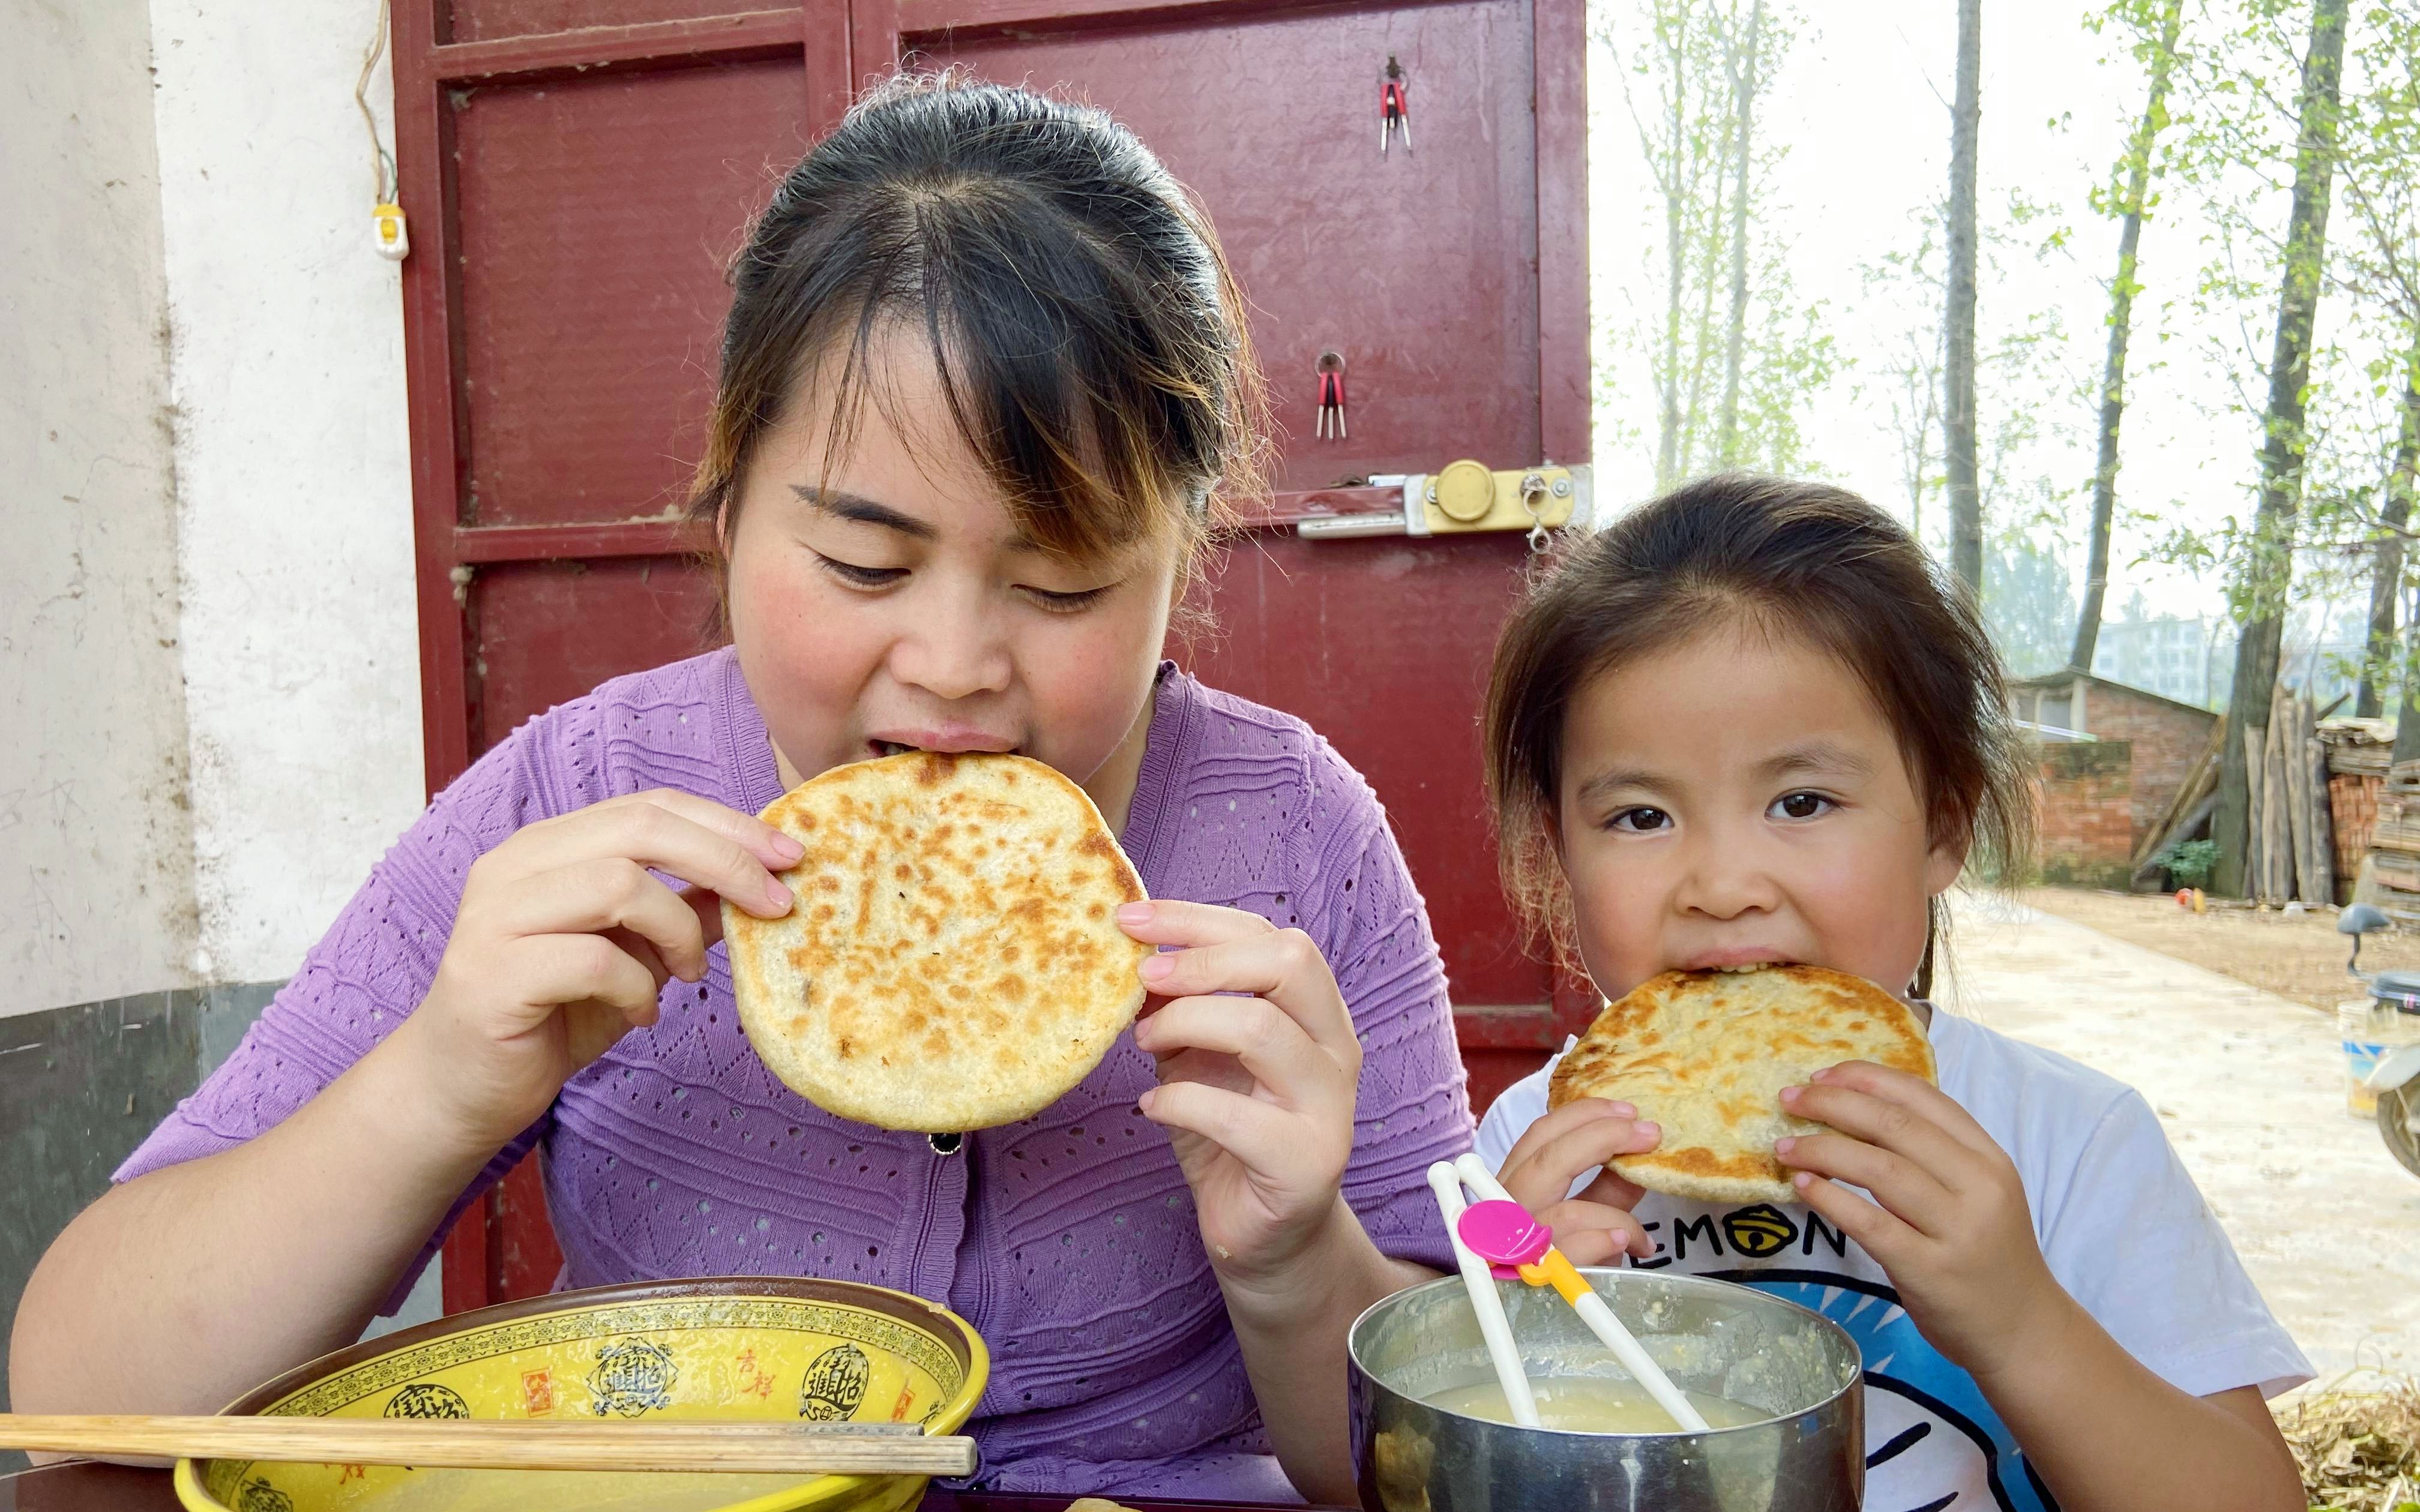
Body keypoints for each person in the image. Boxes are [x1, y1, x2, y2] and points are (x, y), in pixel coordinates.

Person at [10, 76, 1472, 1503]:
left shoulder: (1298, 835)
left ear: (1182, 559)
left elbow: (1454, 1455)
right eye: (863, 566)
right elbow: (81, 1388)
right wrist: (443, 1082)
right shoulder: (574, 798)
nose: (955, 665)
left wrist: (1298, 1260)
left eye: (1064, 580)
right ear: (725, 504)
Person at [1471, 476, 2308, 1512]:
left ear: (1944, 828)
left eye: (1803, 801)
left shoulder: (2066, 1141)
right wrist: (1496, 1342)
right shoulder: (1538, 1139)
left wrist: (2020, 1322)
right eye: (1640, 817)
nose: (1725, 887)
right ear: (1561, 852)